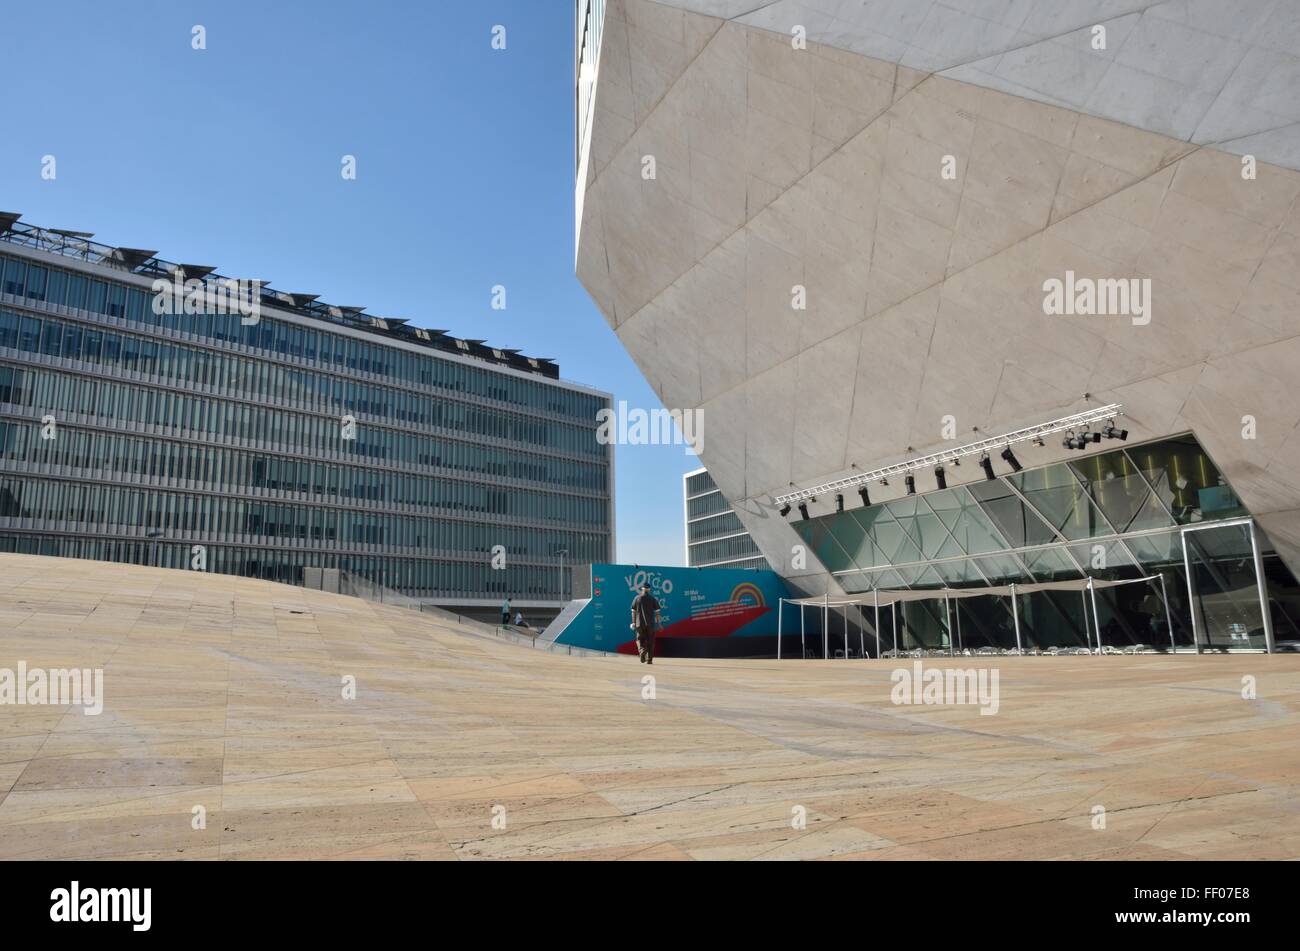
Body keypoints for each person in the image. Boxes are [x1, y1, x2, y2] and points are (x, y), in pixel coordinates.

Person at [630, 582, 660, 665]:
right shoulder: (653, 599)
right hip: (650, 624)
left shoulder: (637, 598)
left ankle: (642, 651)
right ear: (649, 589)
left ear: (642, 589)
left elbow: (633, 612)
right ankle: (649, 660)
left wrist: (633, 622)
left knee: (639, 640)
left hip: (639, 624)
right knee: (650, 642)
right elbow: (657, 612)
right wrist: (659, 623)